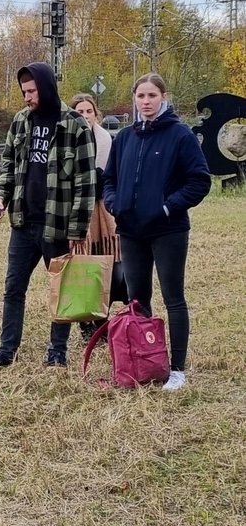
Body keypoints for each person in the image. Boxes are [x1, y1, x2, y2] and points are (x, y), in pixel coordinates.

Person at [102, 73, 211, 392]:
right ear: (134, 99)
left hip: (168, 231)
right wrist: (113, 203)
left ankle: (177, 369)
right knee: (137, 299)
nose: (146, 101)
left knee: (173, 297)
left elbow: (199, 181)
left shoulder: (180, 135)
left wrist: (167, 207)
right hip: (131, 231)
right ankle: (143, 359)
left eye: (152, 95)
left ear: (163, 97)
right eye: (141, 96)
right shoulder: (124, 137)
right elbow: (109, 179)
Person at [0, 62, 96, 367]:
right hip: (22, 224)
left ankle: (57, 352)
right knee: (13, 289)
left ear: (47, 87)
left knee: (60, 289)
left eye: (32, 90)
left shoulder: (75, 124)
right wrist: (1, 197)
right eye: (24, 91)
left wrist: (77, 230)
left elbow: (85, 183)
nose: (27, 97)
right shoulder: (21, 121)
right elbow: (8, 165)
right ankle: (6, 352)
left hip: (58, 226)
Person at [69, 93, 128, 340]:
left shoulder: (107, 141)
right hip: (78, 210)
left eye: (89, 111)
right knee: (83, 268)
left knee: (111, 264)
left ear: (96, 114)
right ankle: (86, 323)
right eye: (79, 112)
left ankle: (107, 320)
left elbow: (116, 175)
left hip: (105, 210)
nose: (85, 116)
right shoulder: (66, 143)